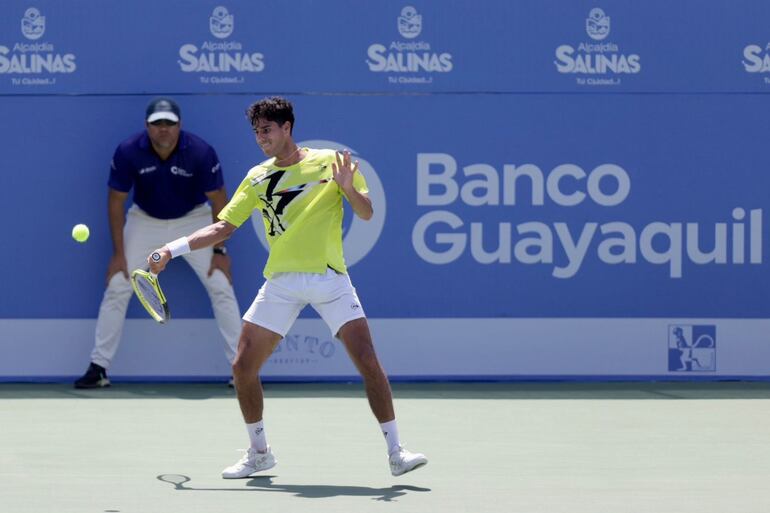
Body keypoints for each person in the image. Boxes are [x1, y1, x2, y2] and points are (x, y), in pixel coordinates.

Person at [146, 96, 427, 477]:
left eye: (267, 130)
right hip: (281, 282)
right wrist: (171, 249)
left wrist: (348, 189)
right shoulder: (257, 177)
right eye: (257, 132)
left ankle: (397, 452)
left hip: (329, 278)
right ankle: (259, 452)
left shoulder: (332, 162)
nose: (261, 138)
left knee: (368, 362)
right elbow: (223, 227)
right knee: (243, 366)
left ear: (287, 128)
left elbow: (366, 212)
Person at [74, 98, 242, 389]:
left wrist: (220, 250)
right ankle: (98, 367)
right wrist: (119, 254)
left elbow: (219, 201)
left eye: (169, 123)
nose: (163, 130)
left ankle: (241, 370)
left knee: (220, 285)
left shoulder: (201, 152)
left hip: (194, 219)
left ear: (180, 126)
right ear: (147, 126)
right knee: (117, 285)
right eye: (157, 124)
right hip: (144, 221)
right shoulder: (128, 151)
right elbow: (116, 201)